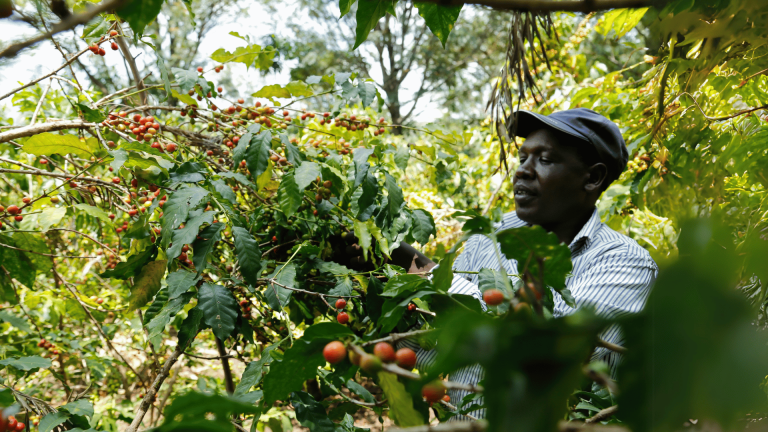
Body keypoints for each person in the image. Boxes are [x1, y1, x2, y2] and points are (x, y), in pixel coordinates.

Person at [378, 108, 659, 419]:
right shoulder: (489, 236)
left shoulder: (625, 262)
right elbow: (447, 341)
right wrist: (380, 288)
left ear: (592, 178)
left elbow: (546, 352)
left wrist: (418, 265)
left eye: (545, 159)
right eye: (523, 158)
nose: (523, 171)